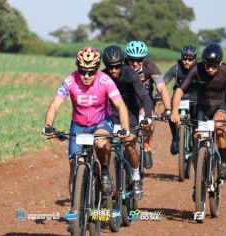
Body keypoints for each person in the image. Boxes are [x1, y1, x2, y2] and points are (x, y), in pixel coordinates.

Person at [43, 46, 130, 196]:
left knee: (102, 142)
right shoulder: (70, 81)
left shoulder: (105, 80)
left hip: (101, 122)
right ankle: (76, 208)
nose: (87, 75)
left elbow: (120, 105)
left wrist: (125, 128)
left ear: (97, 69)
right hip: (78, 125)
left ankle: (104, 171)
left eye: (91, 72)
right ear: (78, 68)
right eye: (83, 71)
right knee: (74, 166)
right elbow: (54, 104)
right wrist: (48, 125)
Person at [170, 42, 226, 180]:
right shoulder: (196, 69)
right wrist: (175, 111)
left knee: (218, 126)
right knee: (196, 141)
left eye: (214, 66)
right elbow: (180, 90)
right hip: (202, 107)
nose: (210, 69)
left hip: (221, 105)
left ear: (220, 62)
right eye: (207, 65)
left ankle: (224, 162)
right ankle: (198, 182)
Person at [102, 45, 154, 200]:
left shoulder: (130, 73)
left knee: (129, 144)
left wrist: (147, 117)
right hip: (110, 113)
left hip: (130, 112)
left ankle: (136, 177)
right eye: (110, 67)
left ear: (122, 64)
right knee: (104, 144)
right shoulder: (103, 76)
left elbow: (145, 97)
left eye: (117, 67)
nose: (113, 71)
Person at [125, 40, 172, 169]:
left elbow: (161, 88)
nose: (135, 63)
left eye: (139, 60)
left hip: (144, 100)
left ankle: (146, 146)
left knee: (148, 122)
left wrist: (168, 109)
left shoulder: (150, 66)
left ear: (143, 59)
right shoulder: (122, 64)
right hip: (128, 100)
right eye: (131, 60)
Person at [163, 44, 198, 155]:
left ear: (195, 59)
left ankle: (195, 142)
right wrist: (158, 94)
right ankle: (175, 138)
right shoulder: (176, 68)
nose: (187, 61)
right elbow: (164, 82)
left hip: (195, 98)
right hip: (179, 98)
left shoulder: (199, 68)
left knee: (196, 121)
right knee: (170, 114)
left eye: (190, 59)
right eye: (184, 58)